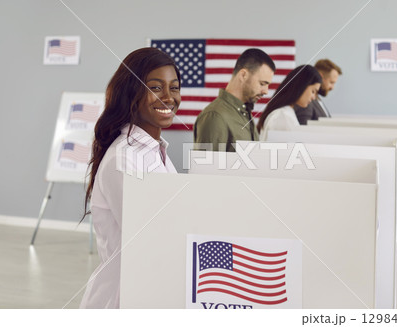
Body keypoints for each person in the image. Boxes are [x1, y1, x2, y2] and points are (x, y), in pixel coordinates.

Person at [80, 48, 181, 308]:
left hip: (149, 289)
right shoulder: (124, 158)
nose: (169, 98)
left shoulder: (156, 152)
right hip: (120, 299)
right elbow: (150, 236)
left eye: (174, 87)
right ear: (131, 93)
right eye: (156, 88)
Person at [193, 48, 275, 152]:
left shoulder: (244, 113)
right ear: (243, 75)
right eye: (262, 84)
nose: (266, 91)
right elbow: (206, 167)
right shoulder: (215, 116)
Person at [257, 65, 322, 141]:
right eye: (313, 91)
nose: (314, 97)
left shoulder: (286, 112)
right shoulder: (282, 116)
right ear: (302, 86)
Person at [293, 59, 342, 125]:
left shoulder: (317, 99)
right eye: (331, 82)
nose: (332, 87)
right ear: (320, 76)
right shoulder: (306, 102)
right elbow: (303, 130)